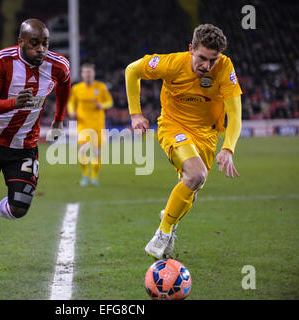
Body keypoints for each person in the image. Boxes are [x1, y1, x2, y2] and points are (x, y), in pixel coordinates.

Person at [0, 18, 71, 280]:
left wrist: (59, 119)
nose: (41, 49)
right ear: (20, 42)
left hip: (24, 147)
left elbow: (65, 85)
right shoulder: (2, 60)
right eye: (34, 43)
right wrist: (13, 103)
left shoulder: (58, 65)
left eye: (45, 43)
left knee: (19, 208)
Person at [125, 24, 242, 259]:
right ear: (191, 49)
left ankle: (169, 216)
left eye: (212, 60)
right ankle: (164, 232)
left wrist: (228, 148)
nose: (206, 66)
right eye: (201, 58)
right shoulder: (172, 63)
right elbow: (131, 70)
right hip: (173, 126)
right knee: (197, 174)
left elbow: (235, 112)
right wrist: (135, 114)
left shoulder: (224, 67)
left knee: (193, 187)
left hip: (206, 135)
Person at [68, 63, 113, 186]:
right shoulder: (76, 88)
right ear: (82, 74)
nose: (88, 74)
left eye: (90, 72)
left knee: (96, 152)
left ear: (94, 74)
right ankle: (85, 175)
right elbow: (71, 103)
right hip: (83, 124)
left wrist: (101, 105)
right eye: (86, 72)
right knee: (83, 151)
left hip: (97, 124)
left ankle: (94, 176)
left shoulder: (101, 87)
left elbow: (109, 102)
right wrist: (72, 112)